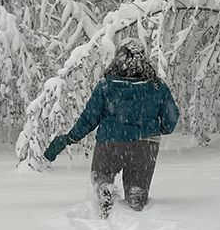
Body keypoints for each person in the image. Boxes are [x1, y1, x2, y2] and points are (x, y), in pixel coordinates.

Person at [43, 40, 180, 216]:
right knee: (137, 190)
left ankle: (104, 189)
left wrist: (69, 138)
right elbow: (172, 116)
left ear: (119, 58)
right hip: (145, 145)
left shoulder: (106, 85)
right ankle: (135, 204)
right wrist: (157, 129)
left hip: (110, 142)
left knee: (101, 175)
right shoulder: (157, 86)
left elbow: (89, 118)